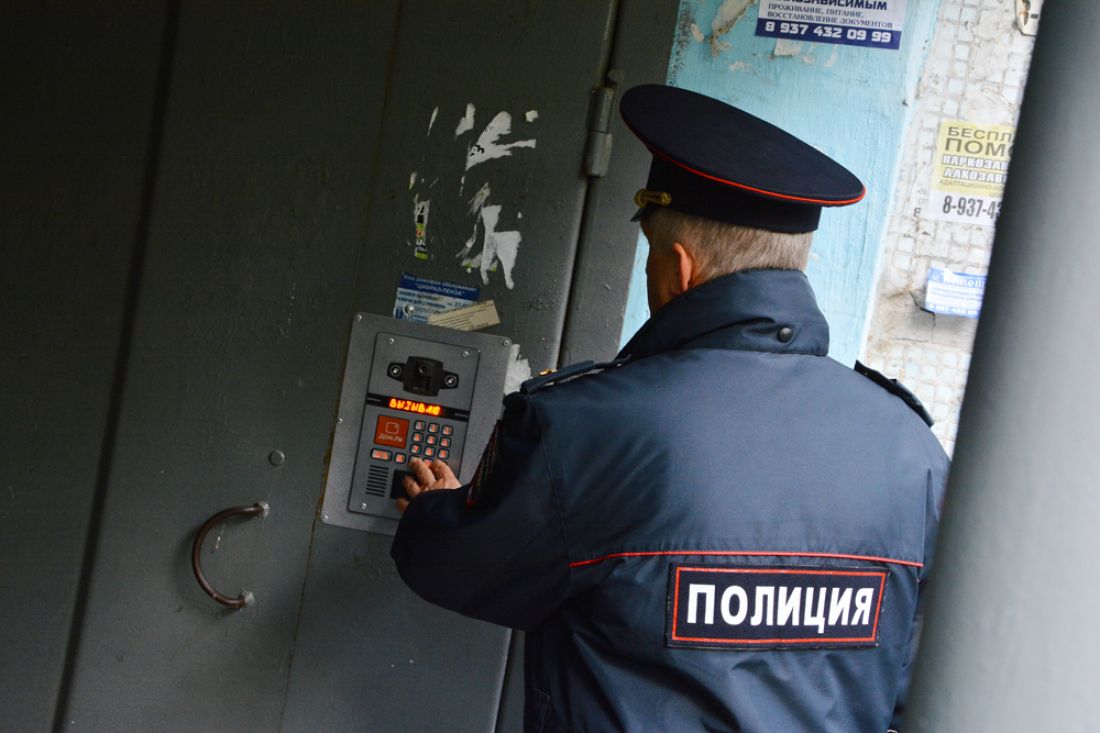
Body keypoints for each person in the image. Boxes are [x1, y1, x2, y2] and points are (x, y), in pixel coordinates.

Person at [391, 84, 949, 732]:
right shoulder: (912, 449)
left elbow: (460, 570)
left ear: (679, 267)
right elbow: (919, 680)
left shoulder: (588, 426)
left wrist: (437, 511)